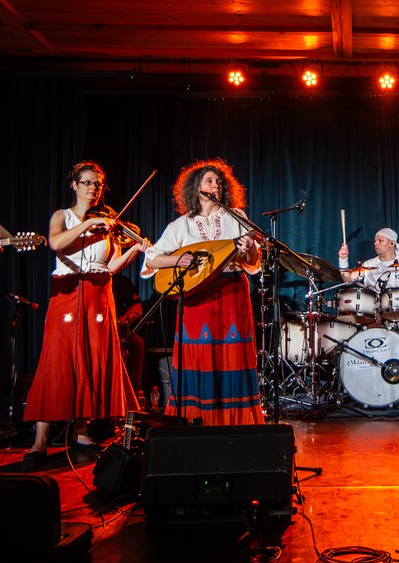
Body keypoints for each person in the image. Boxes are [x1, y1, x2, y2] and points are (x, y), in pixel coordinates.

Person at [22, 161, 147, 466]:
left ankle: (81, 431)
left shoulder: (107, 224)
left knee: (91, 360)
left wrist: (134, 250)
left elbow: (111, 266)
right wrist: (87, 226)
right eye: (87, 182)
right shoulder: (62, 217)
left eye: (97, 184)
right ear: (74, 185)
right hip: (66, 291)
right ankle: (40, 440)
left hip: (98, 293)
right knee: (57, 360)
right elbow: (56, 243)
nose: (93, 188)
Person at [143, 158, 264, 426]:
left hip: (232, 292)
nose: (215, 186)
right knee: (199, 354)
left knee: (231, 356)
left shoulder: (237, 216)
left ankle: (235, 422)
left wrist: (250, 249)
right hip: (196, 297)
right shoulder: (181, 225)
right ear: (196, 187)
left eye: (219, 182)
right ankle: (197, 421)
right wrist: (177, 260)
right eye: (209, 181)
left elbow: (253, 263)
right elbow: (152, 259)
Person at [338, 228, 399, 379]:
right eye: (375, 241)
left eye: (380, 240)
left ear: (392, 243)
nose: (376, 244)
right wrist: (343, 259)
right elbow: (347, 280)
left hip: (398, 315)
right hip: (374, 316)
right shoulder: (369, 265)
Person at [112, 273, 146, 407]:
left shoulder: (122, 281)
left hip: (118, 329)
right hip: (96, 329)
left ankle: (134, 391)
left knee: (137, 343)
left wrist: (119, 322)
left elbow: (137, 309)